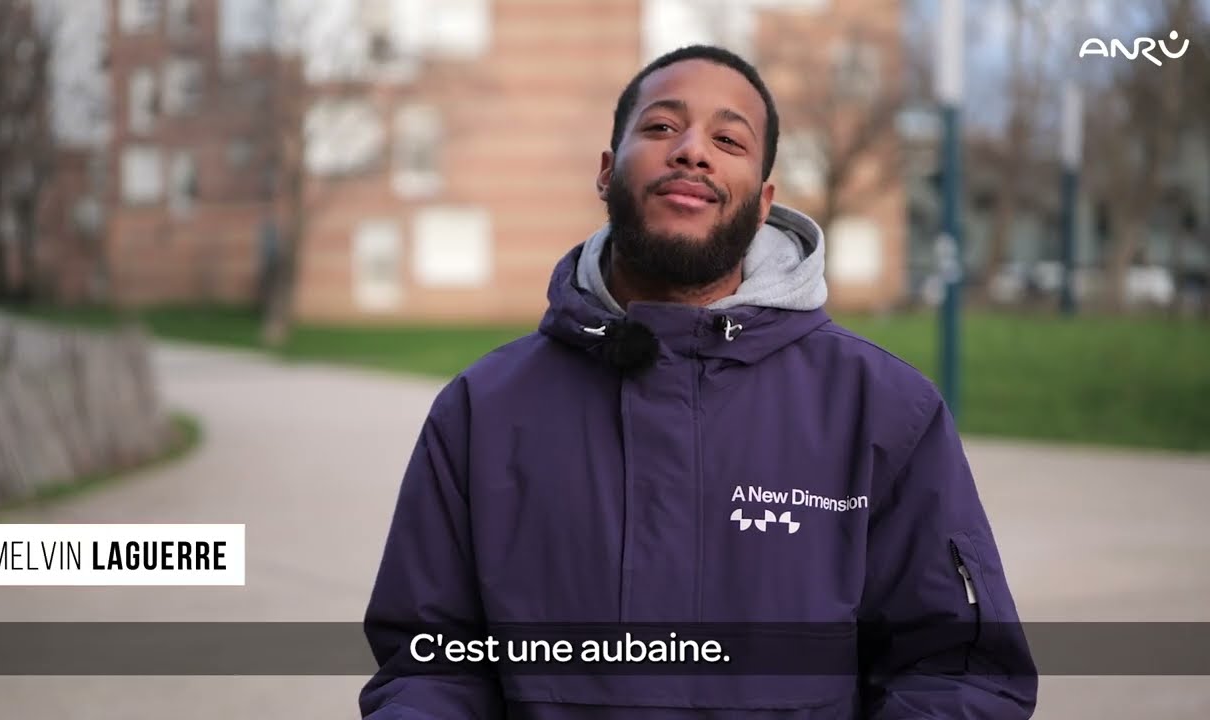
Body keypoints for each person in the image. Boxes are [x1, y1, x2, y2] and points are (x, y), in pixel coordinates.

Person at [359, 44, 1037, 719]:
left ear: (764, 199)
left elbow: (959, 672)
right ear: (606, 171)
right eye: (660, 127)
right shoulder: (483, 411)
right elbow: (432, 668)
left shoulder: (882, 410)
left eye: (728, 139)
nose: (692, 150)